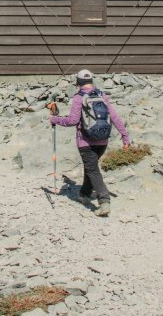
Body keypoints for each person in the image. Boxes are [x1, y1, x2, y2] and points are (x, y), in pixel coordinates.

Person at [47, 69, 131, 217]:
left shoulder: (79, 97)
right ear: (91, 81)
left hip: (85, 141)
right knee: (90, 167)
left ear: (77, 82)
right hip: (103, 141)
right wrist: (125, 137)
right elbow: (115, 117)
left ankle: (104, 201)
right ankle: (84, 194)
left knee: (92, 169)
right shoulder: (102, 95)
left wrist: (55, 119)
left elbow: (72, 121)